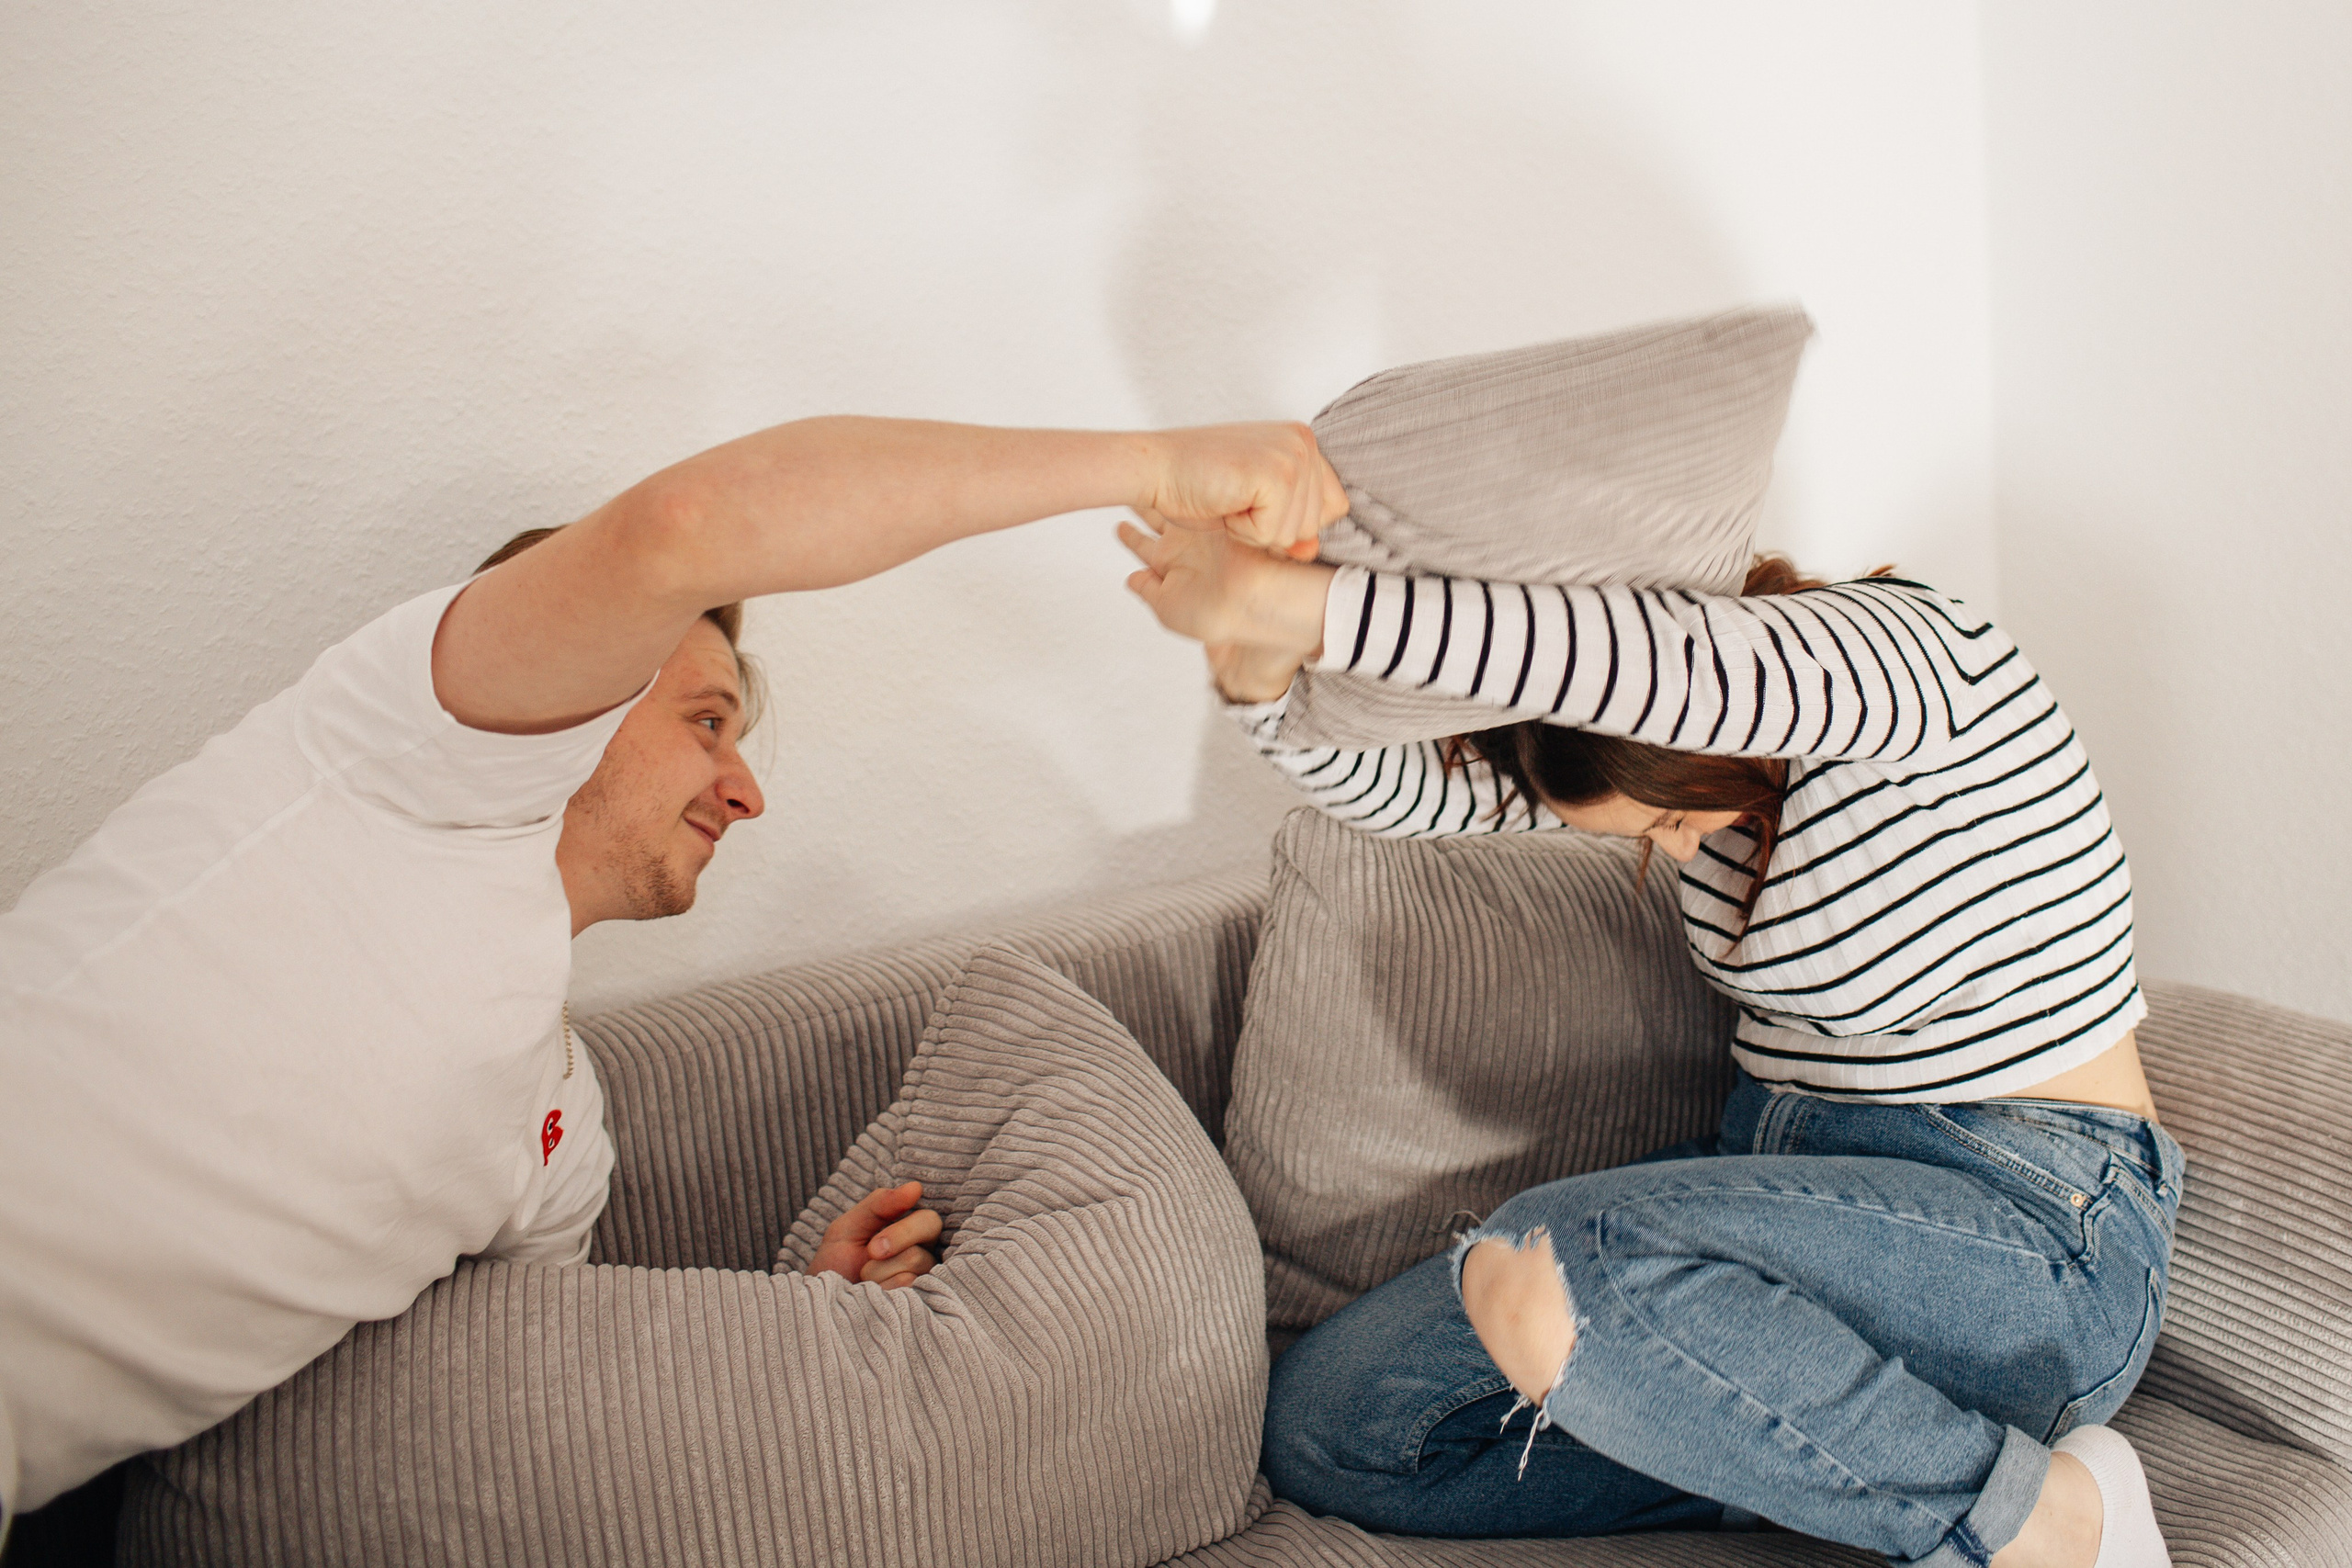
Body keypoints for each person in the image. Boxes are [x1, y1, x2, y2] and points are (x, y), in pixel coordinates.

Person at [0, 416, 1347, 1523]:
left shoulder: (559, 1134)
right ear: (590, 689)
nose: (745, 788)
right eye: (710, 718)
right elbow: (683, 531)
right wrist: (1158, 466)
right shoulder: (408, 762)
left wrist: (805, 1324)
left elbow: (530, 1396)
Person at [1120, 514, 2180, 1568]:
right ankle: (1793, 1454)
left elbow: (1653, 666)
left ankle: (2057, 1525)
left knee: (1558, 1259)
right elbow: (1405, 799)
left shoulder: (1904, 661)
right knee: (1338, 1424)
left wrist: (1296, 600)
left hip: (2030, 1237)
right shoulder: (1670, 765)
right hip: (1783, 1215)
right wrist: (1263, 681)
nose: (1677, 848)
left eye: (1664, 825)